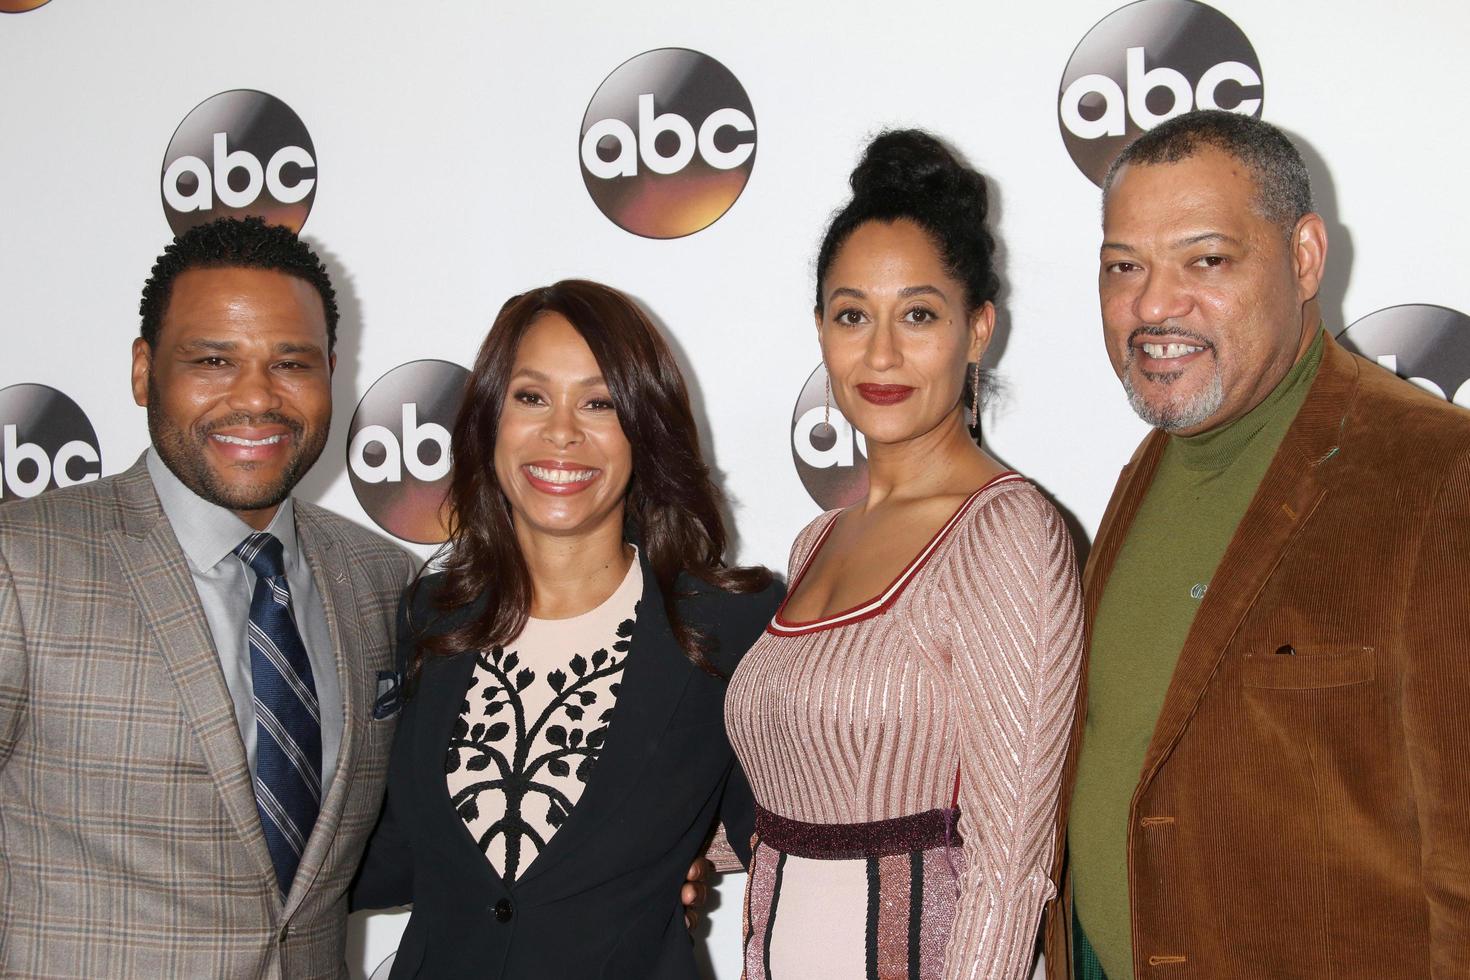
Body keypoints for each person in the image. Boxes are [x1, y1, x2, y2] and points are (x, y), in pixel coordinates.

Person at [1051, 110, 1470, 979]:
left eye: (1206, 260)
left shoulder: (1439, 476)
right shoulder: (1150, 467)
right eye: (1124, 266)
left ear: (1305, 257)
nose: (1153, 305)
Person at [0, 216, 420, 977]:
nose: (256, 398)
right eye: (213, 360)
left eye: (290, 362)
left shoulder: (379, 579)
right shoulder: (22, 564)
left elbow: (418, 831)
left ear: (332, 371)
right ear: (143, 370)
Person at [726, 130, 1085, 980]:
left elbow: (1010, 866)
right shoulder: (818, 539)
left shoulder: (1007, 534)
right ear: (820, 329)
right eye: (853, 314)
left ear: (978, 329)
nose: (880, 354)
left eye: (918, 314)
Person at [350, 279, 781, 978]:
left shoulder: (727, 624)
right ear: (489, 418)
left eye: (599, 402)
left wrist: (672, 861)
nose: (561, 431)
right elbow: (395, 855)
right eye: (531, 397)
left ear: (642, 427)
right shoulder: (426, 617)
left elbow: (783, 838)